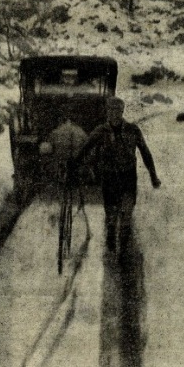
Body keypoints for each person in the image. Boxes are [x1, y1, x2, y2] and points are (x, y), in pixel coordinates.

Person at [72, 96, 160, 251]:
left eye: (117, 111)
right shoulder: (100, 131)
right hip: (109, 177)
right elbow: (86, 148)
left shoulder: (133, 130)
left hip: (128, 176)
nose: (114, 114)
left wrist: (153, 176)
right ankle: (111, 234)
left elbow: (145, 152)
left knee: (127, 213)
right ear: (107, 112)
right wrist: (75, 163)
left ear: (122, 111)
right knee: (111, 213)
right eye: (111, 111)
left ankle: (124, 247)